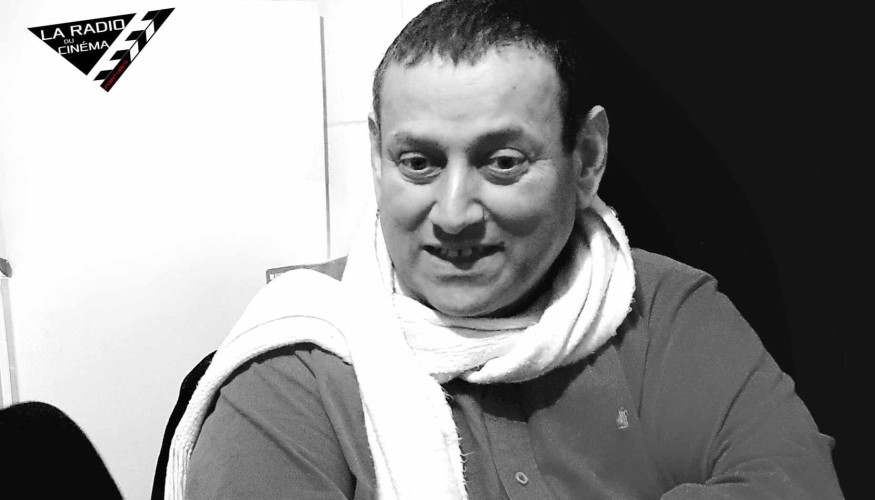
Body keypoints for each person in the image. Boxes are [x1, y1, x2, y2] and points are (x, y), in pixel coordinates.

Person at [166, 1, 843, 498]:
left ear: (587, 159)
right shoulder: (296, 366)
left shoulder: (662, 309)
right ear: (376, 156)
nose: (454, 214)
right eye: (418, 163)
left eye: (502, 162)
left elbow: (798, 484)